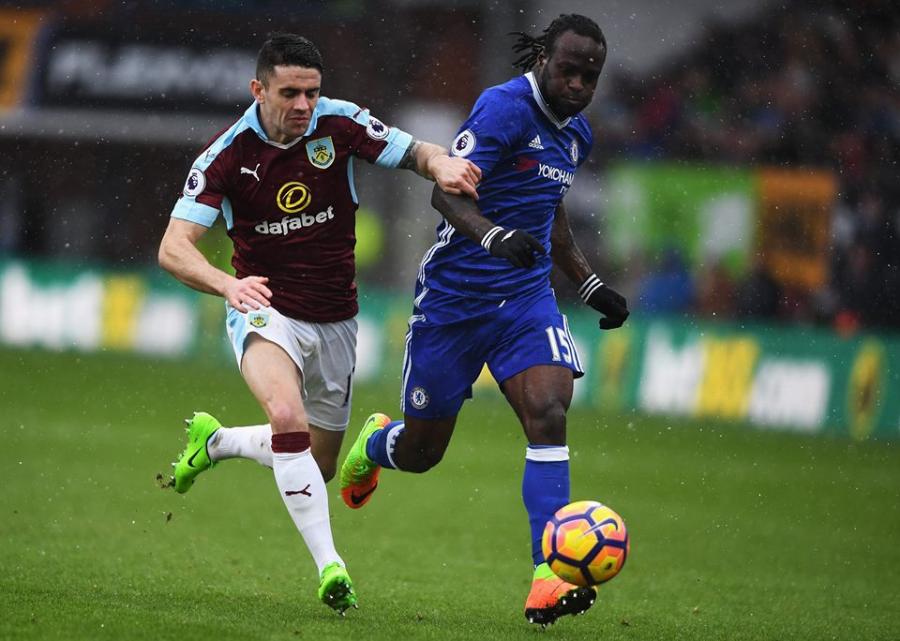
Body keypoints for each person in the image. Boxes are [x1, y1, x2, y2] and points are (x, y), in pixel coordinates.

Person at [157, 33, 480, 615]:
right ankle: (331, 566)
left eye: (311, 92)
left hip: (336, 319)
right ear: (258, 90)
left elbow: (414, 151)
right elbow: (174, 248)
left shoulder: (340, 123)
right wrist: (229, 285)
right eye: (290, 93)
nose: (304, 104)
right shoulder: (226, 156)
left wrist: (442, 164)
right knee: (287, 419)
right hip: (265, 309)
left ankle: (218, 441)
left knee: (318, 463)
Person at [338, 14, 629, 627]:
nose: (578, 85)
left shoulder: (577, 134)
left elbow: (550, 212)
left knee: (549, 412)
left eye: (590, 77)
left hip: (524, 300)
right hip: (453, 303)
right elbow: (445, 191)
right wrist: (494, 236)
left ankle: (548, 576)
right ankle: (376, 443)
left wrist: (589, 283)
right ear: (543, 59)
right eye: (569, 71)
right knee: (423, 452)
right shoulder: (503, 109)